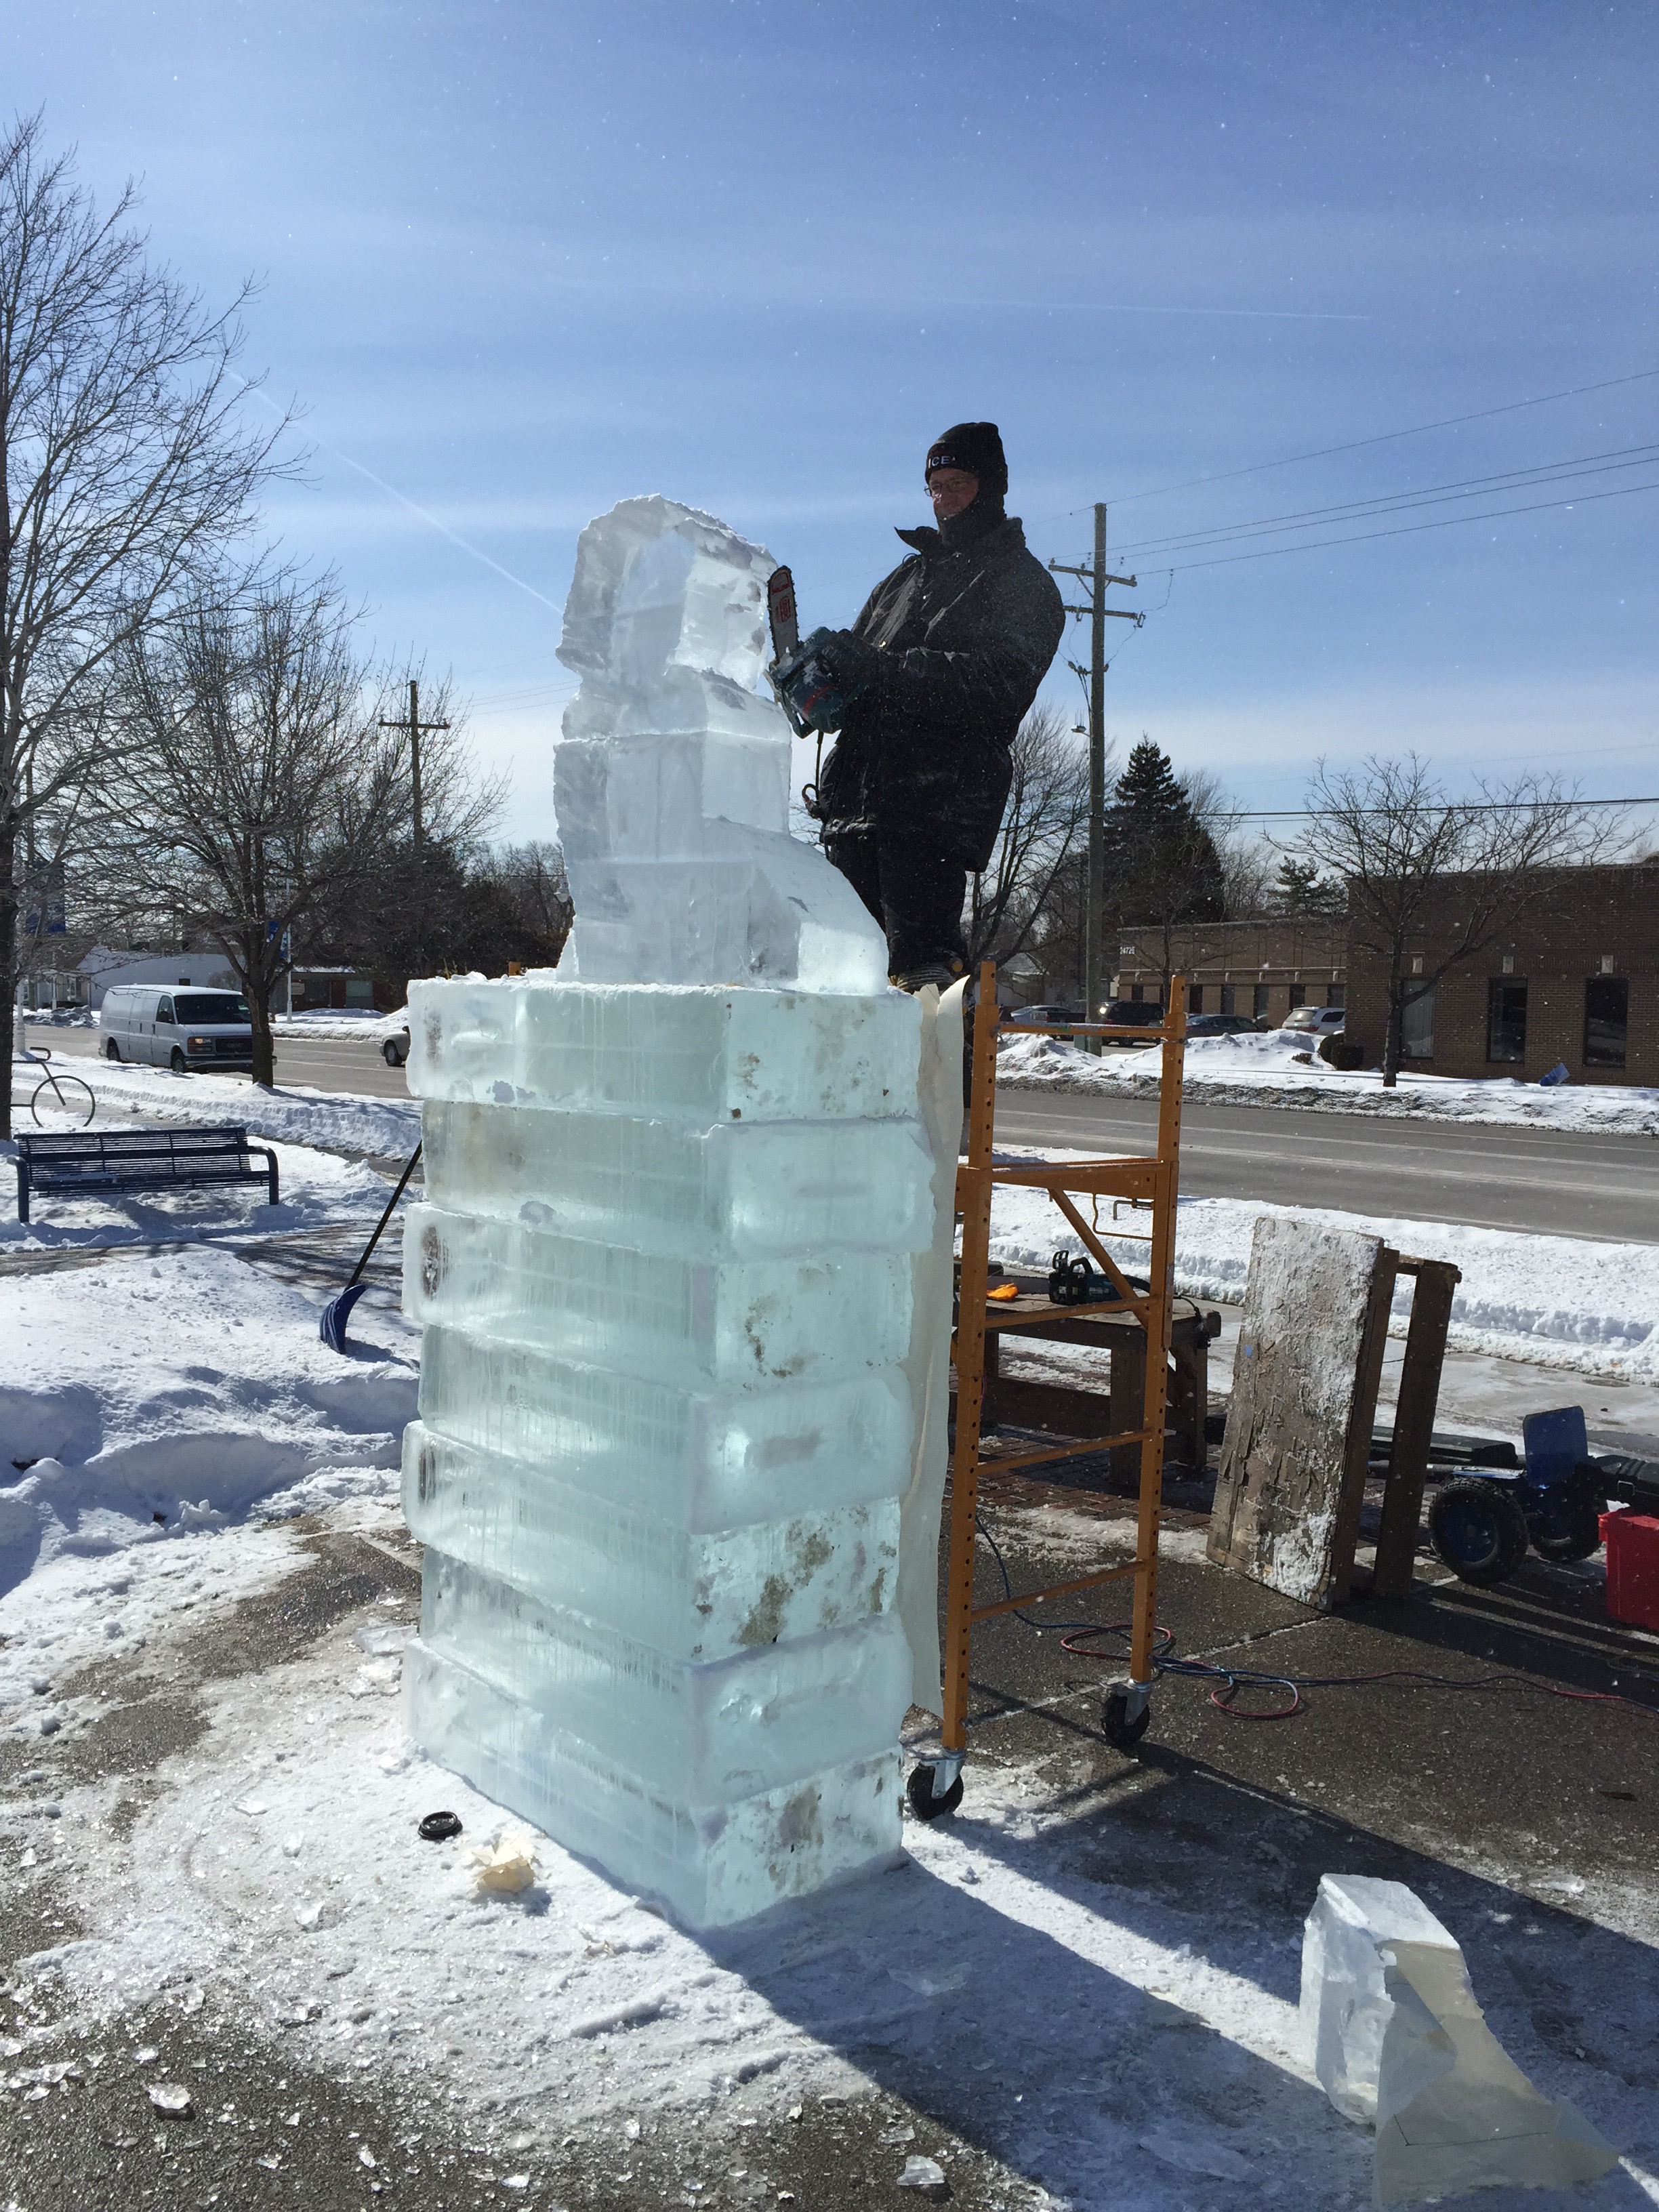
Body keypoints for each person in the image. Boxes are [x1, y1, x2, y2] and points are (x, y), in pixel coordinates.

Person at [807, 422, 1065, 989]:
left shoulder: (1022, 583)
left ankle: (944, 1078)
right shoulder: (906, 576)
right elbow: (862, 670)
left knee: (924, 983)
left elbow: (999, 685)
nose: (944, 498)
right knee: (846, 981)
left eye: (958, 483)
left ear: (991, 486)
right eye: (936, 486)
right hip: (855, 805)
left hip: (934, 808)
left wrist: (885, 669)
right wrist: (825, 682)